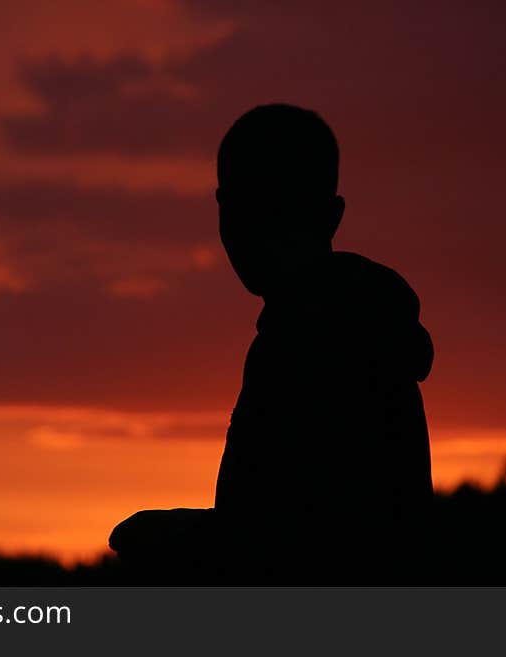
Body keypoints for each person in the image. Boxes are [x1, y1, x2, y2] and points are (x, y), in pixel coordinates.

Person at [110, 104, 434, 583]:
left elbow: (296, 547)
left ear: (330, 216)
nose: (249, 232)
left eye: (276, 209)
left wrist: (170, 537)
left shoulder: (313, 345)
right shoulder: (348, 329)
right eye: (238, 208)